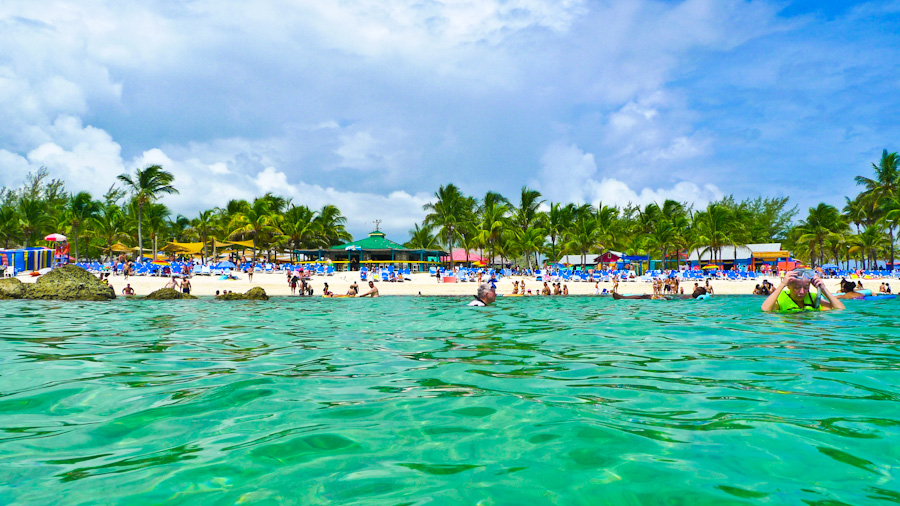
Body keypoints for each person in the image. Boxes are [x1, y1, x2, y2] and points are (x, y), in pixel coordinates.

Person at [761, 269, 845, 312]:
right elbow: (765, 309)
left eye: (805, 288)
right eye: (797, 288)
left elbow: (840, 309)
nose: (801, 292)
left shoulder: (814, 299)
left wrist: (823, 289)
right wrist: (782, 284)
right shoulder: (779, 300)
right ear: (789, 286)